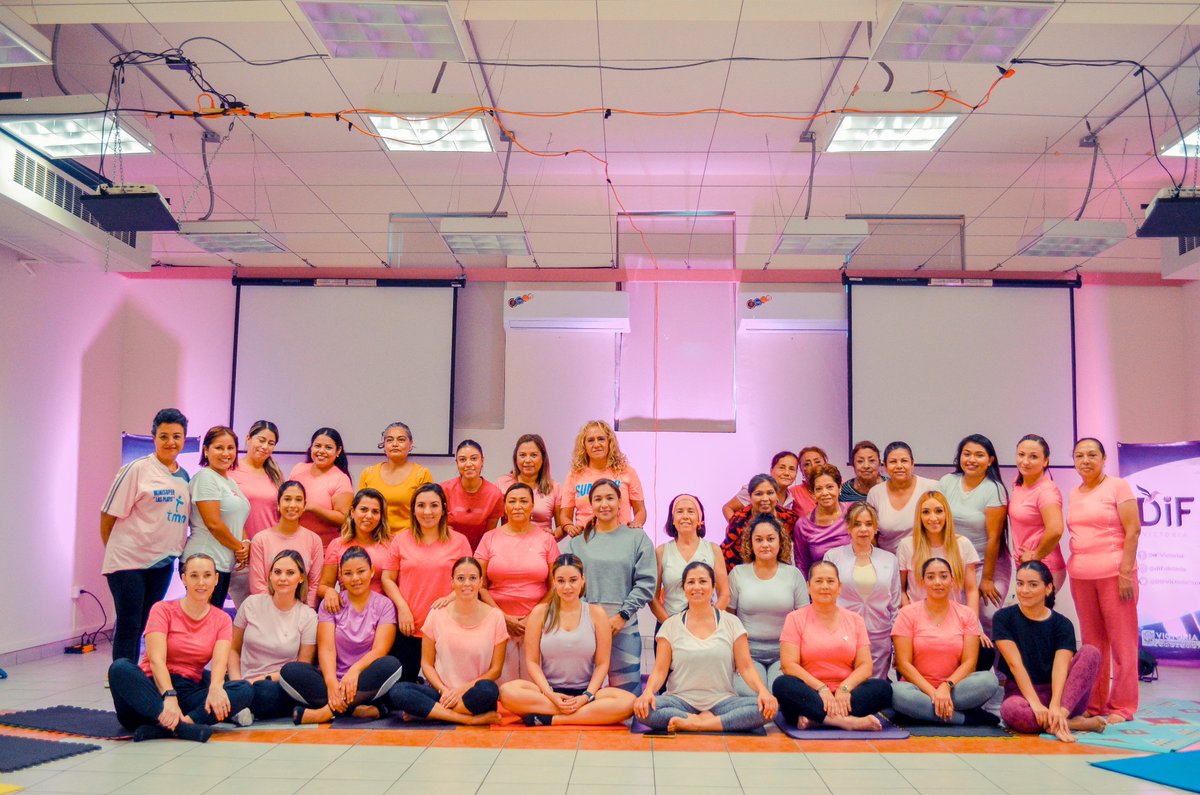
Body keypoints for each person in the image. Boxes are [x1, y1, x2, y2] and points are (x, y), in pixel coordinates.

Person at [107, 553, 253, 742]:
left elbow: (219, 662)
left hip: (187, 693)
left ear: (216, 579)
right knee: (120, 668)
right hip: (149, 691)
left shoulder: (222, 619)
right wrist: (169, 696)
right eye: (194, 576)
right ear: (183, 579)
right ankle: (183, 728)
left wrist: (216, 687)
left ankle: (171, 726)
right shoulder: (162, 609)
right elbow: (156, 660)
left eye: (207, 575)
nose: (201, 582)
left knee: (244, 689)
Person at [635, 562, 778, 733]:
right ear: (684, 588)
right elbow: (659, 671)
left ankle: (697, 724)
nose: (697, 587)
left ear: (713, 586)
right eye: (691, 582)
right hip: (680, 701)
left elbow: (746, 667)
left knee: (768, 708)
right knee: (642, 711)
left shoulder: (731, 623)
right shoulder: (670, 625)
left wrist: (763, 691)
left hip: (722, 702)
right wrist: (648, 692)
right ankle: (708, 722)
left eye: (703, 581)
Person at [499, 554, 637, 726]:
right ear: (554, 582)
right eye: (561, 581)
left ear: (582, 580)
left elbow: (602, 663)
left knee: (629, 701)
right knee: (507, 692)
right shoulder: (540, 613)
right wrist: (551, 695)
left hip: (586, 693)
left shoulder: (596, 614)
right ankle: (580, 715)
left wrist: (586, 696)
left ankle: (552, 719)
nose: (567, 587)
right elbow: (532, 662)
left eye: (573, 580)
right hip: (549, 694)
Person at [101, 408, 192, 664]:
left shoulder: (183, 476)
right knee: (129, 622)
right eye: (164, 436)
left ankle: (131, 673)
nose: (170, 442)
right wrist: (116, 551)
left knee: (143, 623)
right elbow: (107, 516)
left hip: (162, 563)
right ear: (154, 438)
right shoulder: (136, 469)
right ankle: (121, 675)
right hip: (129, 562)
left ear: (184, 439)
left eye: (177, 436)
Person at [279, 547, 402, 724]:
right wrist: (331, 683)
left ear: (372, 571)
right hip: (332, 679)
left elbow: (380, 650)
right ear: (341, 576)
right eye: (348, 573)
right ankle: (358, 708)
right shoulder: (331, 604)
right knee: (291, 671)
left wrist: (355, 670)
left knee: (391, 665)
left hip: (364, 678)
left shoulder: (384, 605)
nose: (355, 578)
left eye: (361, 572)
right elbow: (327, 649)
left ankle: (326, 712)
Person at [1066, 437, 1141, 723]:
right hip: (1081, 576)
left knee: (1123, 643)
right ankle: (1095, 705)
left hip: (1115, 575)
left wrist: (1125, 572)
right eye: (1079, 455)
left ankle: (1123, 706)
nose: (1085, 460)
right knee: (1093, 645)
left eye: (1091, 455)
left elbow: (1133, 530)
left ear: (1104, 458)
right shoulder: (1074, 492)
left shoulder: (1117, 487)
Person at [558, 478, 655, 694]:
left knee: (626, 697)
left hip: (624, 626)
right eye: (598, 499)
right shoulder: (577, 543)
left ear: (620, 502)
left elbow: (646, 583)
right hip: (585, 628)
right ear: (590, 505)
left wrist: (622, 615)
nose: (604, 504)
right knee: (583, 694)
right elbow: (569, 585)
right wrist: (590, 619)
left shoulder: (637, 538)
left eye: (610, 498)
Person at [772, 561, 893, 731]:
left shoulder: (855, 620)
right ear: (808, 586)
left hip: (846, 694)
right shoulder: (795, 618)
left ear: (839, 587)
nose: (825, 586)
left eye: (830, 581)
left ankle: (817, 718)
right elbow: (788, 665)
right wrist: (821, 688)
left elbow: (865, 666)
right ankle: (845, 722)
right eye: (819, 581)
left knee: (883, 689)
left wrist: (844, 688)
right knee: (782, 685)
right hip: (810, 691)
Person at [994, 561, 1104, 741]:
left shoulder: (1063, 624)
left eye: (1033, 584)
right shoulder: (1003, 618)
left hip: (1064, 698)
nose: (1024, 590)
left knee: (1090, 652)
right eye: (1020, 583)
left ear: (1048, 588)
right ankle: (1072, 724)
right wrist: (1035, 704)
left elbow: (1060, 669)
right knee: (1010, 711)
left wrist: (1057, 707)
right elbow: (1015, 665)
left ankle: (1060, 717)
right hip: (1023, 695)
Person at [387, 557, 505, 725]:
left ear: (480, 582)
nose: (466, 584)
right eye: (460, 578)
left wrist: (459, 692)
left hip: (473, 692)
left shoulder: (495, 616)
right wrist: (445, 691)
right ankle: (467, 720)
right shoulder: (437, 614)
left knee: (489, 690)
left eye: (472, 578)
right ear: (452, 582)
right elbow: (426, 664)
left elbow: (496, 670)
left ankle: (430, 712)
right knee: (398, 691)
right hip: (442, 693)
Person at [891, 558, 999, 725]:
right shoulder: (907, 614)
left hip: (954, 688)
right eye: (931, 577)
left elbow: (970, 662)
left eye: (943, 576)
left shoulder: (966, 614)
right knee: (896, 692)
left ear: (952, 581)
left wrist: (946, 687)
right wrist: (934, 693)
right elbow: (903, 664)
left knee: (989, 681)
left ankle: (923, 713)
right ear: (922, 582)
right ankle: (963, 719)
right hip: (918, 689)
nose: (938, 582)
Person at [385, 483, 472, 682]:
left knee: (446, 687)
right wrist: (402, 608)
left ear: (443, 509)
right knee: (401, 691)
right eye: (421, 505)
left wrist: (451, 597)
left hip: (447, 628)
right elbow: (387, 579)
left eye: (434, 505)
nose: (427, 511)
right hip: (409, 627)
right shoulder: (400, 540)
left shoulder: (460, 541)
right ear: (413, 510)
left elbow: (470, 581)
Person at [474, 483, 560, 681]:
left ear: (532, 506)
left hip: (538, 622)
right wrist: (502, 616)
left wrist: (534, 616)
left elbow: (555, 584)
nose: (518, 506)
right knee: (502, 686)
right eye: (512, 501)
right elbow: (480, 584)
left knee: (534, 684)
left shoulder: (546, 539)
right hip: (496, 621)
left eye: (523, 501)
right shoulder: (490, 538)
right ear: (505, 506)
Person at [228, 550, 318, 723]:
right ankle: (238, 705)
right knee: (207, 683)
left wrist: (263, 679)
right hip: (242, 682)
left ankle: (236, 708)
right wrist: (237, 684)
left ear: (301, 578)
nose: (282, 578)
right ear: (269, 576)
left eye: (290, 573)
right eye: (277, 572)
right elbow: (233, 649)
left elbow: (301, 668)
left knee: (265, 692)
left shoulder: (308, 616)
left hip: (276, 685)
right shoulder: (251, 604)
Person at [728, 515, 808, 696]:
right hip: (748, 654)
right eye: (759, 540)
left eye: (771, 539)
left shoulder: (793, 575)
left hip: (785, 654)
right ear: (751, 543)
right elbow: (729, 619)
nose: (765, 544)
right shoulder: (738, 574)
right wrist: (733, 658)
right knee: (751, 695)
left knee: (778, 693)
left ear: (781, 541)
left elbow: (805, 621)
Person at [940, 434, 1009, 635]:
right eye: (966, 454)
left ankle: (998, 667)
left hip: (987, 563)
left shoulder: (993, 489)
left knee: (989, 616)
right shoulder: (947, 482)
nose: (971, 460)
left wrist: (986, 579)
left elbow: (994, 537)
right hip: (955, 563)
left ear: (990, 460)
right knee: (958, 618)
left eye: (979, 455)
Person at [823, 503, 902, 680]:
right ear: (848, 527)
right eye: (857, 524)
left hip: (880, 635)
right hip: (842, 634)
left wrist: (896, 644)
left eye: (869, 523)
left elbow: (895, 605)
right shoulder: (832, 557)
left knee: (874, 689)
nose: (863, 529)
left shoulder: (889, 560)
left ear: (876, 527)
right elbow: (826, 599)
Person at [182, 426, 251, 607]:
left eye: (230, 448)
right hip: (203, 561)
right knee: (200, 622)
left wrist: (246, 544)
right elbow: (213, 523)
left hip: (222, 562)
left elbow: (236, 519)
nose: (225, 453)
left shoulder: (229, 481)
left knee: (212, 620)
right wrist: (239, 548)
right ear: (206, 450)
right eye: (219, 448)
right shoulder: (206, 478)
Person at [228, 420, 284, 606]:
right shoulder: (231, 470)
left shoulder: (275, 473)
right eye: (261, 440)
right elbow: (227, 513)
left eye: (271, 443)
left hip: (271, 553)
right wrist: (243, 542)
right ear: (248, 438)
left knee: (271, 612)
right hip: (242, 554)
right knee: (246, 613)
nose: (265, 446)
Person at [897, 492, 981, 616]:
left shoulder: (963, 544)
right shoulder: (906, 545)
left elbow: (972, 590)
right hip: (917, 619)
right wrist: (909, 617)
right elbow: (901, 590)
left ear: (947, 514)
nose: (933, 518)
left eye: (938, 511)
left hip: (954, 619)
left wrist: (973, 625)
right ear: (919, 516)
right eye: (926, 512)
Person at [557, 420, 646, 534]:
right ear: (584, 445)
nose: (596, 445)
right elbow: (565, 515)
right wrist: (570, 527)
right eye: (590, 440)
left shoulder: (627, 472)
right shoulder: (574, 475)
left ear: (610, 442)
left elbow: (640, 510)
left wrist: (636, 524)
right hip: (586, 540)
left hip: (622, 538)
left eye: (601, 439)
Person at [651, 494, 729, 623]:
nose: (685, 516)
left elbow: (725, 594)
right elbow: (653, 597)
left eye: (691, 511)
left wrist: (709, 620)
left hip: (706, 625)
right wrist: (670, 625)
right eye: (679, 511)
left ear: (700, 519)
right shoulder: (661, 551)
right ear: (673, 519)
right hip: (670, 625)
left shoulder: (713, 549)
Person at [248, 481, 324, 609]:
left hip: (302, 614)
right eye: (287, 499)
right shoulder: (260, 540)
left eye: (298, 500)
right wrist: (276, 613)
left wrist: (305, 612)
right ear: (278, 505)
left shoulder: (314, 540)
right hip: (267, 612)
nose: (292, 505)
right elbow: (258, 586)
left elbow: (314, 585)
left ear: (304, 506)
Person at [318, 489, 396, 607]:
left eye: (375, 512)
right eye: (363, 510)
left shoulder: (391, 545)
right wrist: (329, 591)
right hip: (348, 612)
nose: (369, 516)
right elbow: (324, 586)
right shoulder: (338, 545)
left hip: (383, 614)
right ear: (353, 512)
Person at [1009, 435, 1066, 590]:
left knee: (1036, 613)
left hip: (1044, 565)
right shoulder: (1018, 483)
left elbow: (1055, 530)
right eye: (1021, 455)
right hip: (1026, 564)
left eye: (1033, 457)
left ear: (1045, 461)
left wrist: (1035, 556)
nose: (1025, 461)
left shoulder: (1046, 491)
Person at [865, 442, 940, 554]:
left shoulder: (932, 487)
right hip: (888, 560)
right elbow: (871, 533)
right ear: (885, 466)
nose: (899, 466)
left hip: (924, 558)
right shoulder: (875, 493)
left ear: (912, 463)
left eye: (904, 461)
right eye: (893, 462)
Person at [357, 421, 432, 534]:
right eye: (389, 440)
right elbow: (360, 511)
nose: (395, 444)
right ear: (384, 445)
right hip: (373, 538)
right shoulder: (368, 473)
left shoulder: (421, 474)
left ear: (410, 444)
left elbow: (426, 513)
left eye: (401, 439)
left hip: (409, 539)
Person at [720, 474, 801, 571]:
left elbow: (799, 553)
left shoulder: (790, 518)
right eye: (759, 494)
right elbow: (729, 560)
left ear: (777, 495)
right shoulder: (738, 521)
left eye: (770, 493)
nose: (765, 499)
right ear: (750, 497)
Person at [287, 427, 353, 548]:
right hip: (291, 543)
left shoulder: (340, 479)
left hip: (323, 547)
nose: (321, 451)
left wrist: (313, 508)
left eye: (328, 447)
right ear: (311, 448)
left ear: (338, 451)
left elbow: (344, 519)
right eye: (317, 446)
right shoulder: (299, 468)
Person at [441, 439, 505, 550]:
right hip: (449, 551)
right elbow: (440, 530)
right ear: (457, 463)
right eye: (462, 460)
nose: (468, 464)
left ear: (482, 461)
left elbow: (489, 536)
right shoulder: (444, 490)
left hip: (479, 555)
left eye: (474, 458)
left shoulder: (494, 495)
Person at [496, 433, 562, 536]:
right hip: (510, 545)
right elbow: (491, 524)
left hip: (542, 547)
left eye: (533, 455)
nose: (527, 460)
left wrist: (553, 536)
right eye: (522, 455)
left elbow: (561, 527)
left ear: (543, 458)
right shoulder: (502, 484)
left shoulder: (555, 487)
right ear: (515, 458)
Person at [793, 464, 851, 573]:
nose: (825, 493)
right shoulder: (803, 525)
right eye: (819, 489)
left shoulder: (853, 512)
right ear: (813, 493)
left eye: (830, 487)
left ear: (839, 488)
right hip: (822, 584)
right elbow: (802, 565)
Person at [721, 451, 801, 521]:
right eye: (782, 468)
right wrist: (738, 530)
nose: (787, 473)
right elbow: (727, 508)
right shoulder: (755, 489)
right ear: (771, 470)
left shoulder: (791, 497)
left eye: (792, 469)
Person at [788, 446, 830, 517]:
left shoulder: (841, 485)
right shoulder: (793, 493)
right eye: (807, 464)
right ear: (801, 470)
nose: (813, 466)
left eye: (817, 462)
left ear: (826, 464)